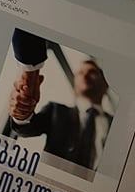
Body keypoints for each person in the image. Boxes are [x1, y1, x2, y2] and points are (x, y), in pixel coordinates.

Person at [7, 30, 112, 170]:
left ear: (106, 84)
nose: (85, 75)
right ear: (75, 83)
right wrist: (22, 115)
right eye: (80, 73)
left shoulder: (116, 125)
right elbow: (28, 128)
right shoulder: (56, 111)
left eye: (92, 72)